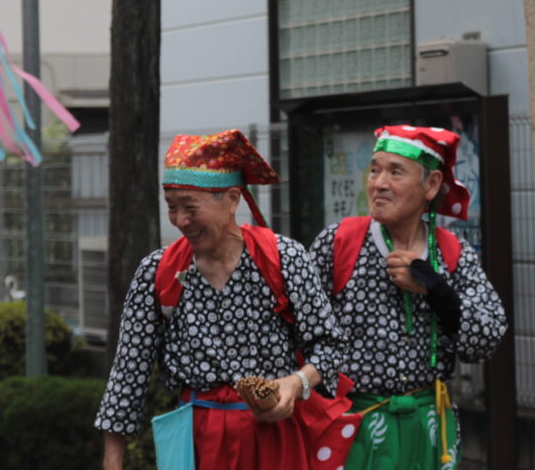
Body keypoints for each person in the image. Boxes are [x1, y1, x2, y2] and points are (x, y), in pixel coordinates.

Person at [95, 129, 357, 470]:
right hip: (197, 441)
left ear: (232, 199)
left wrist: (296, 383)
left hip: (274, 435)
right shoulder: (157, 272)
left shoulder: (285, 259)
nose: (180, 221)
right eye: (172, 208)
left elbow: (330, 346)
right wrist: (112, 460)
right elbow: (129, 372)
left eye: (190, 207)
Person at [309, 124, 507, 469]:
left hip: (428, 425)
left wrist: (438, 293)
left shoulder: (450, 251)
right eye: (374, 170)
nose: (379, 183)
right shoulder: (339, 242)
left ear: (431, 185)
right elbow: (301, 327)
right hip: (354, 424)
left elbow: (486, 339)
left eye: (395, 172)